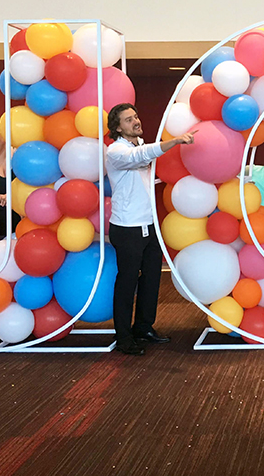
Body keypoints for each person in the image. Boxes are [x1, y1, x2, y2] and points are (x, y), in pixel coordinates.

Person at [106, 103, 196, 356]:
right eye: (128, 120)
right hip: (127, 228)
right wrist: (176, 141)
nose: (135, 121)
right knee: (127, 282)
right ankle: (124, 337)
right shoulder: (115, 151)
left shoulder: (138, 146)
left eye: (135, 116)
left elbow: (144, 166)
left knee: (152, 278)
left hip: (148, 224)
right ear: (117, 128)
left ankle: (144, 327)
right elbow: (140, 157)